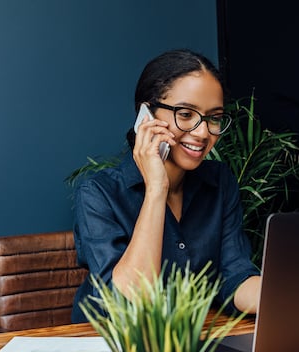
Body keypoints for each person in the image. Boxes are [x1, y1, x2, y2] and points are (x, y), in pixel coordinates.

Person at [71, 49, 261, 323]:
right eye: (185, 114)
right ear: (145, 114)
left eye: (214, 118)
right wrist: (156, 189)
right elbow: (128, 302)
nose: (203, 132)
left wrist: (289, 296)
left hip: (188, 343)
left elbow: (235, 276)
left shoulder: (220, 182)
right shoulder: (98, 193)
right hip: (108, 346)